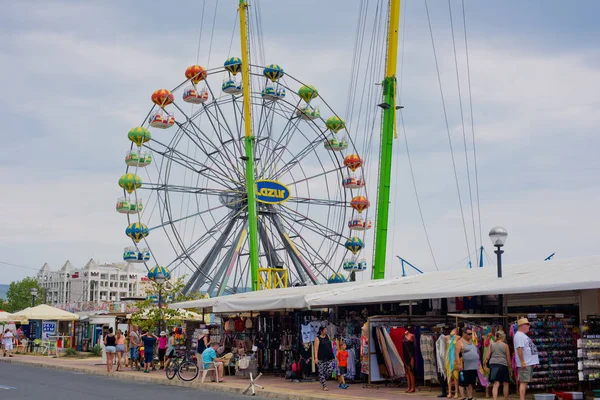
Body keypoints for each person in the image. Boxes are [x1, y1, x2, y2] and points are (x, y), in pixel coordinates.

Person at [514, 318, 539, 400]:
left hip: (527, 362)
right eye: (527, 325)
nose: (529, 327)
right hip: (525, 363)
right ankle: (522, 398)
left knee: (525, 382)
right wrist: (522, 362)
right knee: (523, 382)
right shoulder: (519, 335)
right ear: (523, 326)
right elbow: (519, 349)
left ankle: (522, 398)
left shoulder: (521, 335)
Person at [485, 331, 512, 400]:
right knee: (505, 383)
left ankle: (495, 399)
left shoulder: (492, 345)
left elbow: (487, 356)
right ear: (503, 337)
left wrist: (485, 364)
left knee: (495, 383)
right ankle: (506, 398)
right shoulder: (505, 345)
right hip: (503, 364)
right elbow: (508, 358)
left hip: (493, 364)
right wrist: (510, 368)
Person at [455, 326, 479, 400]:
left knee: (470, 382)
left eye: (471, 334)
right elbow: (456, 354)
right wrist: (459, 364)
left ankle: (470, 396)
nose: (471, 335)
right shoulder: (460, 342)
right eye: (469, 334)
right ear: (464, 334)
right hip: (465, 365)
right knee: (463, 381)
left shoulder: (471, 341)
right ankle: (462, 396)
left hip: (473, 366)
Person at [314, 326, 335, 391]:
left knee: (330, 370)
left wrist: (333, 355)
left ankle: (322, 379)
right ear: (321, 331)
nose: (326, 331)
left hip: (329, 357)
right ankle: (324, 385)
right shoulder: (317, 338)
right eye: (325, 330)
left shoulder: (327, 336)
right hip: (321, 357)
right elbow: (316, 349)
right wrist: (316, 358)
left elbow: (330, 346)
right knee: (321, 371)